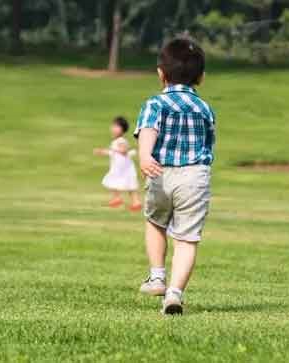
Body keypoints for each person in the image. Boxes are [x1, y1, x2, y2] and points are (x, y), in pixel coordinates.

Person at [134, 38, 216, 315]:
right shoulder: (205, 108)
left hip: (160, 173)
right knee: (187, 238)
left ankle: (157, 275)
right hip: (194, 176)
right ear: (201, 77)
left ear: (161, 73)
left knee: (156, 222)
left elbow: (148, 130)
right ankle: (175, 294)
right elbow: (208, 142)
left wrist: (145, 156)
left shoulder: (155, 103)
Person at [94, 116, 142, 211]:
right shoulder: (116, 141)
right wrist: (102, 151)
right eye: (113, 126)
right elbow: (112, 152)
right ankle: (117, 198)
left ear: (122, 129)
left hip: (124, 167)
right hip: (118, 167)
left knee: (129, 184)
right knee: (114, 181)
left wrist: (112, 149)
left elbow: (124, 150)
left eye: (117, 127)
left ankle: (136, 201)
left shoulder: (121, 141)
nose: (113, 129)